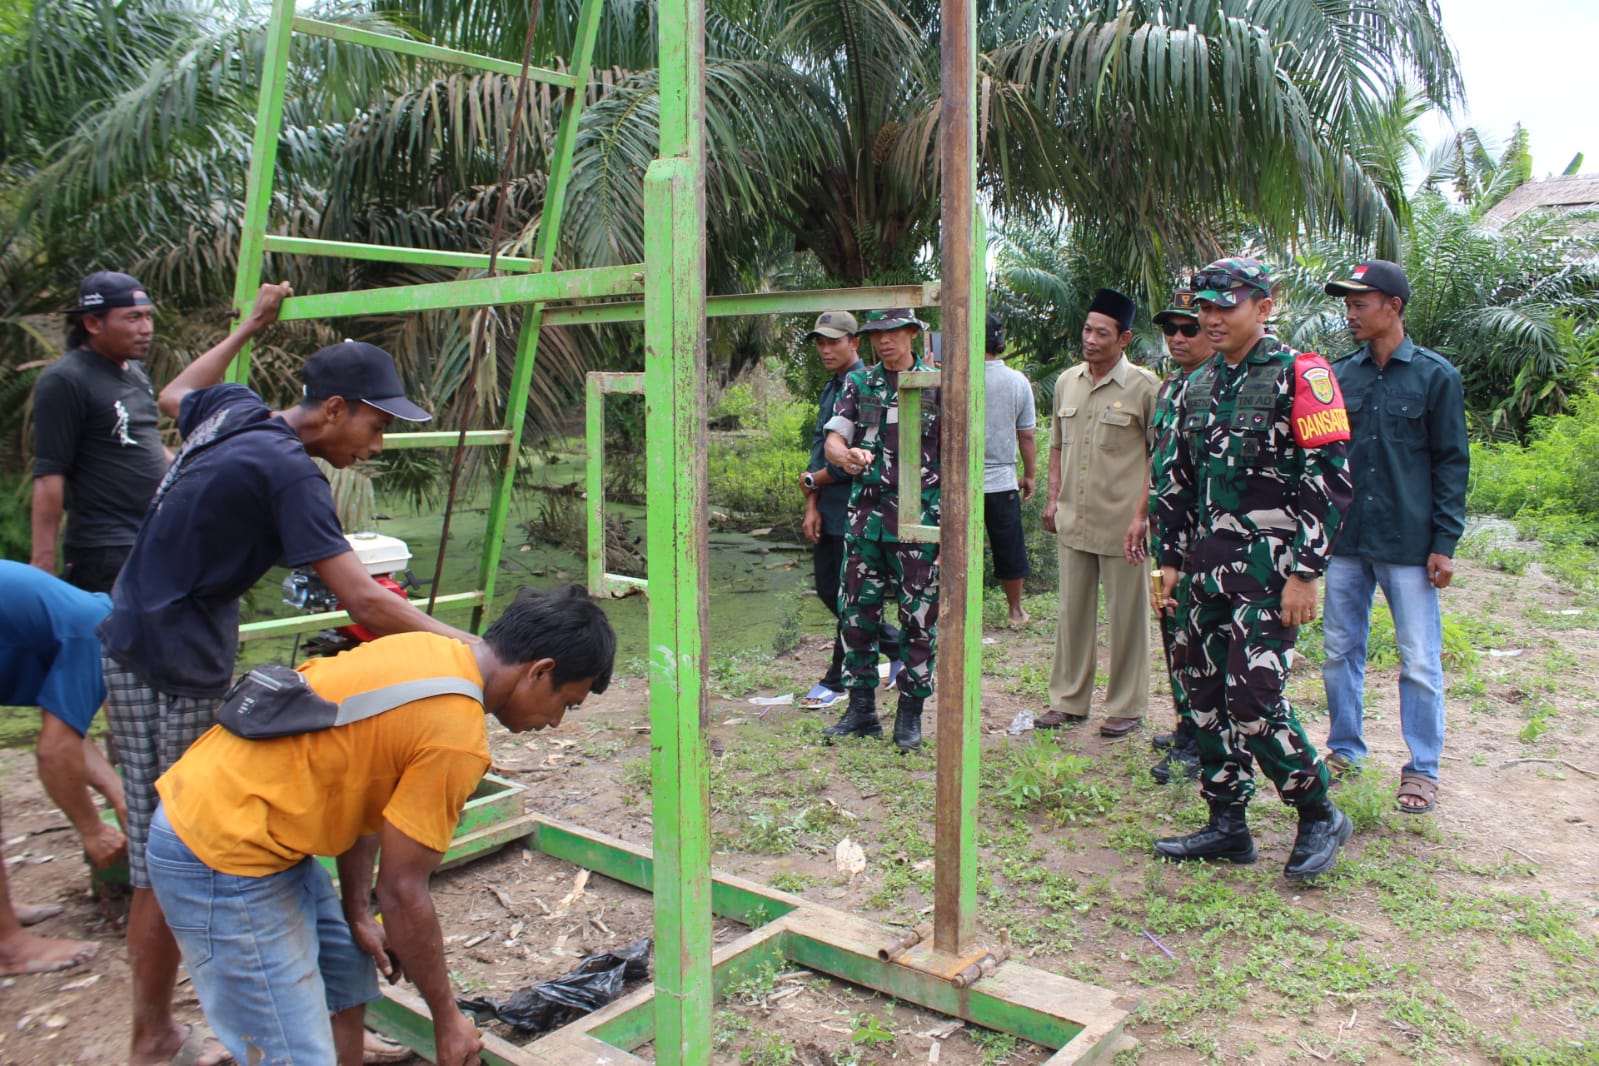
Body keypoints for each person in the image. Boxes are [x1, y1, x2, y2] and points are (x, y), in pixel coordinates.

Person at [98, 281, 477, 1066]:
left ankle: (302, 1019)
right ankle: (153, 1035)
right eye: (374, 425)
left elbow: (173, 393)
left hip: (150, 630)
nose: (376, 446)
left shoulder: (237, 409)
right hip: (167, 658)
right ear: (334, 409)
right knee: (177, 842)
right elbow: (361, 599)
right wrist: (471, 651)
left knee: (187, 832)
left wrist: (248, 326)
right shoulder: (291, 473)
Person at [147, 585, 616, 1066]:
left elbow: (367, 792)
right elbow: (402, 890)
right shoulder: (455, 736)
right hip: (219, 849)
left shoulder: (430, 650)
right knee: (292, 1054)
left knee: (346, 980)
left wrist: (356, 911)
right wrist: (447, 1019)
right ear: (540, 672)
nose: (556, 723)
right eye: (566, 703)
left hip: (249, 820)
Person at [1152, 257, 1355, 881]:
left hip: (1271, 572)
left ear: (1263, 308)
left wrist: (1306, 572)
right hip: (1206, 568)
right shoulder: (1194, 384)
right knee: (1204, 695)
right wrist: (1169, 561)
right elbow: (1175, 479)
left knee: (1253, 700)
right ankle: (1227, 823)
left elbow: (1329, 479)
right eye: (1204, 307)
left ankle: (1317, 811)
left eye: (1225, 307)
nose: (1211, 318)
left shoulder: (1304, 374)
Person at [1320, 260, 1469, 815]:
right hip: (1347, 540)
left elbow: (1451, 463)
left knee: (1420, 660)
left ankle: (1422, 769)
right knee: (1339, 651)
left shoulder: (1435, 377)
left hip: (1408, 543)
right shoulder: (1340, 377)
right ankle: (1344, 749)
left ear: (1394, 306)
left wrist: (1444, 542)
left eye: (1360, 303)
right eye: (1347, 304)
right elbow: (1326, 459)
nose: (1350, 313)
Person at [1038, 289, 1158, 737]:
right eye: (1088, 330)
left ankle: (1127, 705)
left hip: (1123, 526)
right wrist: (1053, 498)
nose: (1090, 339)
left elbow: (1158, 458)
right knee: (1071, 614)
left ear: (1123, 339)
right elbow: (1056, 445)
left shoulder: (1145, 387)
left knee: (1127, 618)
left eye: (1102, 333)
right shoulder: (1067, 382)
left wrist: (1142, 516)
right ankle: (1068, 701)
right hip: (1074, 518)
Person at [821, 308, 941, 751]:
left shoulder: (938, 384)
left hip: (919, 523)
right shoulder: (859, 383)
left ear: (911, 333)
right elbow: (835, 438)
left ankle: (910, 713)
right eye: (876, 334)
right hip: (865, 522)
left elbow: (959, 453)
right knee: (856, 616)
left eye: (893, 332)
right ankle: (861, 710)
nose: (884, 341)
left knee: (918, 621)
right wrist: (846, 456)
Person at [31, 271, 170, 591]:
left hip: (152, 537)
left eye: (148, 316)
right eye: (133, 318)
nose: (146, 329)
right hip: (105, 549)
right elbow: (50, 475)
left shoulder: (135, 372)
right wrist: (42, 566)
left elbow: (144, 440)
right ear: (93, 323)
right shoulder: (66, 380)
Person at [1126, 289, 1215, 782]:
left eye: (1189, 329)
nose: (1177, 338)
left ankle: (1201, 738)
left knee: (1196, 635)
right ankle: (1186, 723)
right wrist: (1142, 514)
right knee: (1170, 623)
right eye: (1169, 330)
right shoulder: (1170, 387)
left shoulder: (1220, 384)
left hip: (1204, 536)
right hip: (1168, 535)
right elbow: (1157, 460)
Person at [798, 311, 900, 709]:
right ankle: (896, 646)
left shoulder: (866, 386)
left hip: (858, 507)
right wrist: (811, 499)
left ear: (855, 342)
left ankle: (838, 679)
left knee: (848, 596)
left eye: (834, 342)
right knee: (833, 591)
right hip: (829, 506)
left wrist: (814, 481)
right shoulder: (833, 387)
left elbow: (859, 458)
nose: (826, 349)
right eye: (820, 343)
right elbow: (819, 450)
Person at [0, 561, 128, 870]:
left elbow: (68, 735)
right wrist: (92, 829)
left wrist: (121, 798)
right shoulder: (96, 633)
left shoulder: (86, 618)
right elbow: (55, 753)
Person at [981, 313, 1038, 626]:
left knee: (952, 546)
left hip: (957, 480)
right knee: (1009, 546)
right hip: (1002, 481)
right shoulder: (1017, 381)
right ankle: (1015, 610)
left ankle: (955, 607)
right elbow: (1026, 435)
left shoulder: (953, 376)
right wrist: (1029, 475)